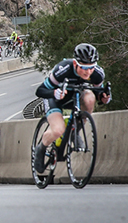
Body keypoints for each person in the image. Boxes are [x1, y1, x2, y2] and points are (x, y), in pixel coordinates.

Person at [33, 43, 111, 173]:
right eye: (84, 68)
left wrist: (103, 97)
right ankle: (40, 148)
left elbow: (98, 92)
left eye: (92, 67)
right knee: (58, 131)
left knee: (89, 97)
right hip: (55, 99)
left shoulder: (97, 73)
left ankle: (76, 129)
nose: (88, 72)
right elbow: (40, 90)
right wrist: (54, 93)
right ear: (75, 64)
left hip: (75, 97)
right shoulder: (63, 69)